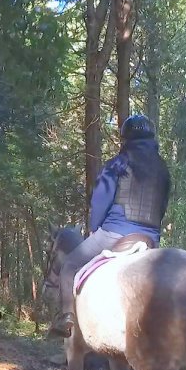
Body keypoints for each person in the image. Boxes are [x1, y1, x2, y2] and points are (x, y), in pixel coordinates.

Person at [49, 114, 171, 337]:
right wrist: (153, 233)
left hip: (115, 232)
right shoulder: (162, 168)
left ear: (126, 138)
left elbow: (100, 200)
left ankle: (66, 317)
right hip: (150, 238)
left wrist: (95, 227)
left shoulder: (118, 163)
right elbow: (162, 206)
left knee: (70, 267)